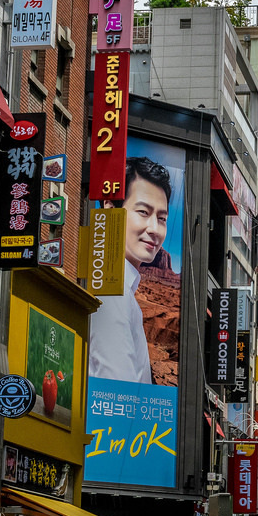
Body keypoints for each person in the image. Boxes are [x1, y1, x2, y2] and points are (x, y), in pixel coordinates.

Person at [90, 157, 173, 383]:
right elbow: (117, 392)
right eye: (143, 212)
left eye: (162, 218)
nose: (154, 229)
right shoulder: (110, 291)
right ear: (109, 206)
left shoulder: (122, 292)